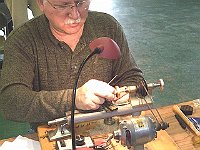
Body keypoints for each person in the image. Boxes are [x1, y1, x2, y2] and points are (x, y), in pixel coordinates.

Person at [0, 0, 145, 129]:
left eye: (81, 3)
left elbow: (133, 76)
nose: (75, 15)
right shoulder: (23, 40)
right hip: (52, 133)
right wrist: (73, 99)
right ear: (41, 4)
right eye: (63, 5)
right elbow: (11, 102)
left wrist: (128, 93)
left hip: (108, 128)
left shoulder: (107, 27)